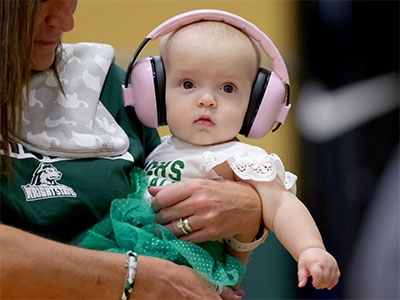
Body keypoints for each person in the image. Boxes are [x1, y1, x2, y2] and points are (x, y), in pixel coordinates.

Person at [0, 1, 265, 299]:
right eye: (40, 4)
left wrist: (248, 215)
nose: (65, 21)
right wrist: (134, 278)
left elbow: (180, 227)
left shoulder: (103, 83)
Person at [140, 19, 339, 290]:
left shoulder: (239, 157)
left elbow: (281, 205)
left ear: (256, 106)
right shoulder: (156, 148)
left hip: (192, 280)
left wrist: (310, 249)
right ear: (156, 92)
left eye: (228, 88)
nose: (206, 100)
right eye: (188, 84)